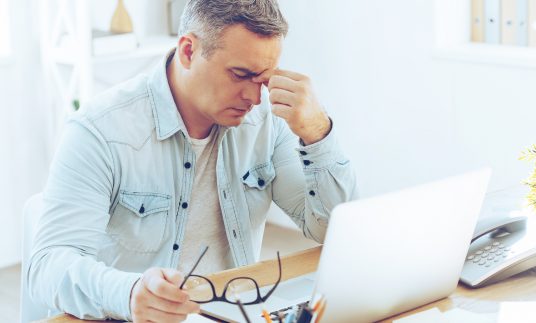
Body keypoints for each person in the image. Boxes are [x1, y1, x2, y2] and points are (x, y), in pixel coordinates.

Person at [27, 0, 357, 322]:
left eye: (264, 80)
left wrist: (317, 133)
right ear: (188, 51)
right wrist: (129, 294)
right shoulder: (100, 131)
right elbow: (48, 266)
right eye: (241, 75)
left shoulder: (266, 120)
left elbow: (329, 229)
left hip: (234, 310)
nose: (255, 99)